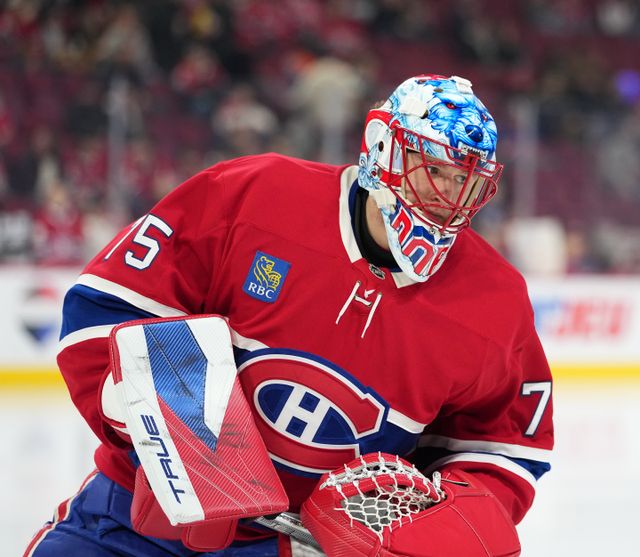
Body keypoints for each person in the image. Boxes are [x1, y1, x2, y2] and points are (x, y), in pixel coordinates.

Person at [26, 74, 554, 556]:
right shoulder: (253, 195)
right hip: (130, 522)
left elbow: (502, 445)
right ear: (384, 147)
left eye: (466, 181)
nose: (450, 198)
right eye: (434, 171)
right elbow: (109, 305)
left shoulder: (494, 301)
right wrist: (162, 442)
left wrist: (446, 524)